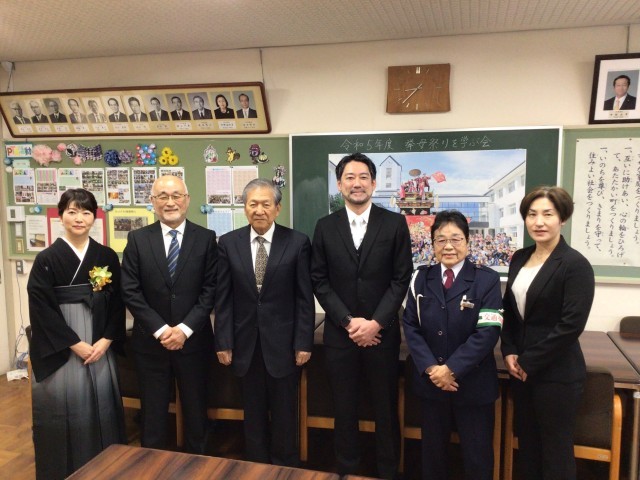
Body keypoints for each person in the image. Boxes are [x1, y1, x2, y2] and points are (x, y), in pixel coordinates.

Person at [311, 152, 413, 479]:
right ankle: (347, 470)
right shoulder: (325, 227)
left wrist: (376, 322)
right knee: (343, 409)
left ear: (374, 183)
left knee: (385, 409)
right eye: (350, 177)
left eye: (364, 177)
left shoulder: (394, 223)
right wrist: (347, 321)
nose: (357, 183)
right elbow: (319, 280)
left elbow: (401, 278)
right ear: (339, 184)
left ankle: (388, 471)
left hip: (382, 335)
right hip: (341, 336)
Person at [27, 188, 126, 480]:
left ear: (94, 217)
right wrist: (74, 343)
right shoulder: (47, 258)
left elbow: (118, 300)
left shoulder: (106, 255)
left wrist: (107, 339)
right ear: (61, 216)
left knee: (103, 404)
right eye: (72, 211)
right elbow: (41, 307)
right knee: (64, 405)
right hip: (65, 342)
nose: (79, 218)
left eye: (85, 212)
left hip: (100, 341)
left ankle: (107, 468)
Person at [215, 178, 315, 466]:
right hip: (244, 344)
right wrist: (223, 341)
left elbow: (304, 298)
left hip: (284, 345)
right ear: (244, 207)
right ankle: (256, 466)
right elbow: (223, 297)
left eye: (266, 204)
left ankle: (285, 467)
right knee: (253, 411)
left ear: (277, 208)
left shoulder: (297, 242)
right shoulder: (228, 243)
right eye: (253, 204)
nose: (259, 210)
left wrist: (303, 343)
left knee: (285, 412)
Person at [501, 186, 595, 480]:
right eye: (532, 215)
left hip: (556, 373)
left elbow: (571, 325)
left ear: (562, 218)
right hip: (521, 371)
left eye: (547, 214)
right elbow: (510, 311)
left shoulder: (574, 264)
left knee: (555, 450)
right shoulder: (519, 257)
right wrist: (509, 350)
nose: (538, 222)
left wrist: (529, 361)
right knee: (527, 445)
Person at [403, 210, 502, 480]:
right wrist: (432, 369)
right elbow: (410, 325)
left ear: (468, 242)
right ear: (432, 244)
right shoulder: (420, 278)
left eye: (456, 239)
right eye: (441, 239)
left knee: (477, 459)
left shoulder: (487, 280)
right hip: (432, 384)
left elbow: (488, 332)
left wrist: (452, 369)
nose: (448, 246)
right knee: (433, 458)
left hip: (473, 385)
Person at [121, 175, 217, 454]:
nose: (170, 202)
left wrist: (184, 330)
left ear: (187, 200)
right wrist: (162, 330)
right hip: (151, 344)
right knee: (152, 414)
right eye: (163, 196)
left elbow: (211, 289)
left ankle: (199, 463)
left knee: (197, 411)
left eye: (176, 195)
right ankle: (151, 464)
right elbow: (130, 291)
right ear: (153, 202)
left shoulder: (206, 238)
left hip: (194, 342)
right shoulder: (137, 239)